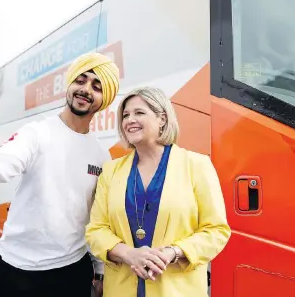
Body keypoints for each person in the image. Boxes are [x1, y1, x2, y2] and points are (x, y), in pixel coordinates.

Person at [0, 52, 120, 297]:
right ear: (69, 85)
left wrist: (100, 271)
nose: (86, 89)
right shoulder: (37, 133)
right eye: (80, 80)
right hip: (17, 270)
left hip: (72, 271)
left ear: (105, 98)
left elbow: (97, 218)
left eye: (96, 86)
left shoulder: (102, 155)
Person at [85, 87, 231, 297]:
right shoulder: (111, 170)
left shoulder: (196, 165)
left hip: (178, 290)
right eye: (125, 115)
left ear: (162, 119)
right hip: (121, 290)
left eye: (139, 113)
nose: (129, 120)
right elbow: (96, 230)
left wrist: (173, 252)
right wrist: (129, 255)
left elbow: (217, 230)